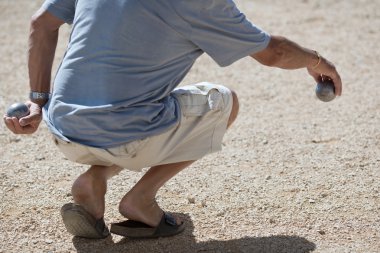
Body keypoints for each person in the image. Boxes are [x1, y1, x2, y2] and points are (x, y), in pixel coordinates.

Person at [3, 0, 342, 239]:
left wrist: (37, 102)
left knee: (130, 111)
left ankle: (95, 179)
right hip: (125, 135)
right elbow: (276, 52)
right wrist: (316, 60)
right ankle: (140, 199)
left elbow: (41, 23)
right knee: (224, 102)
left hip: (64, 130)